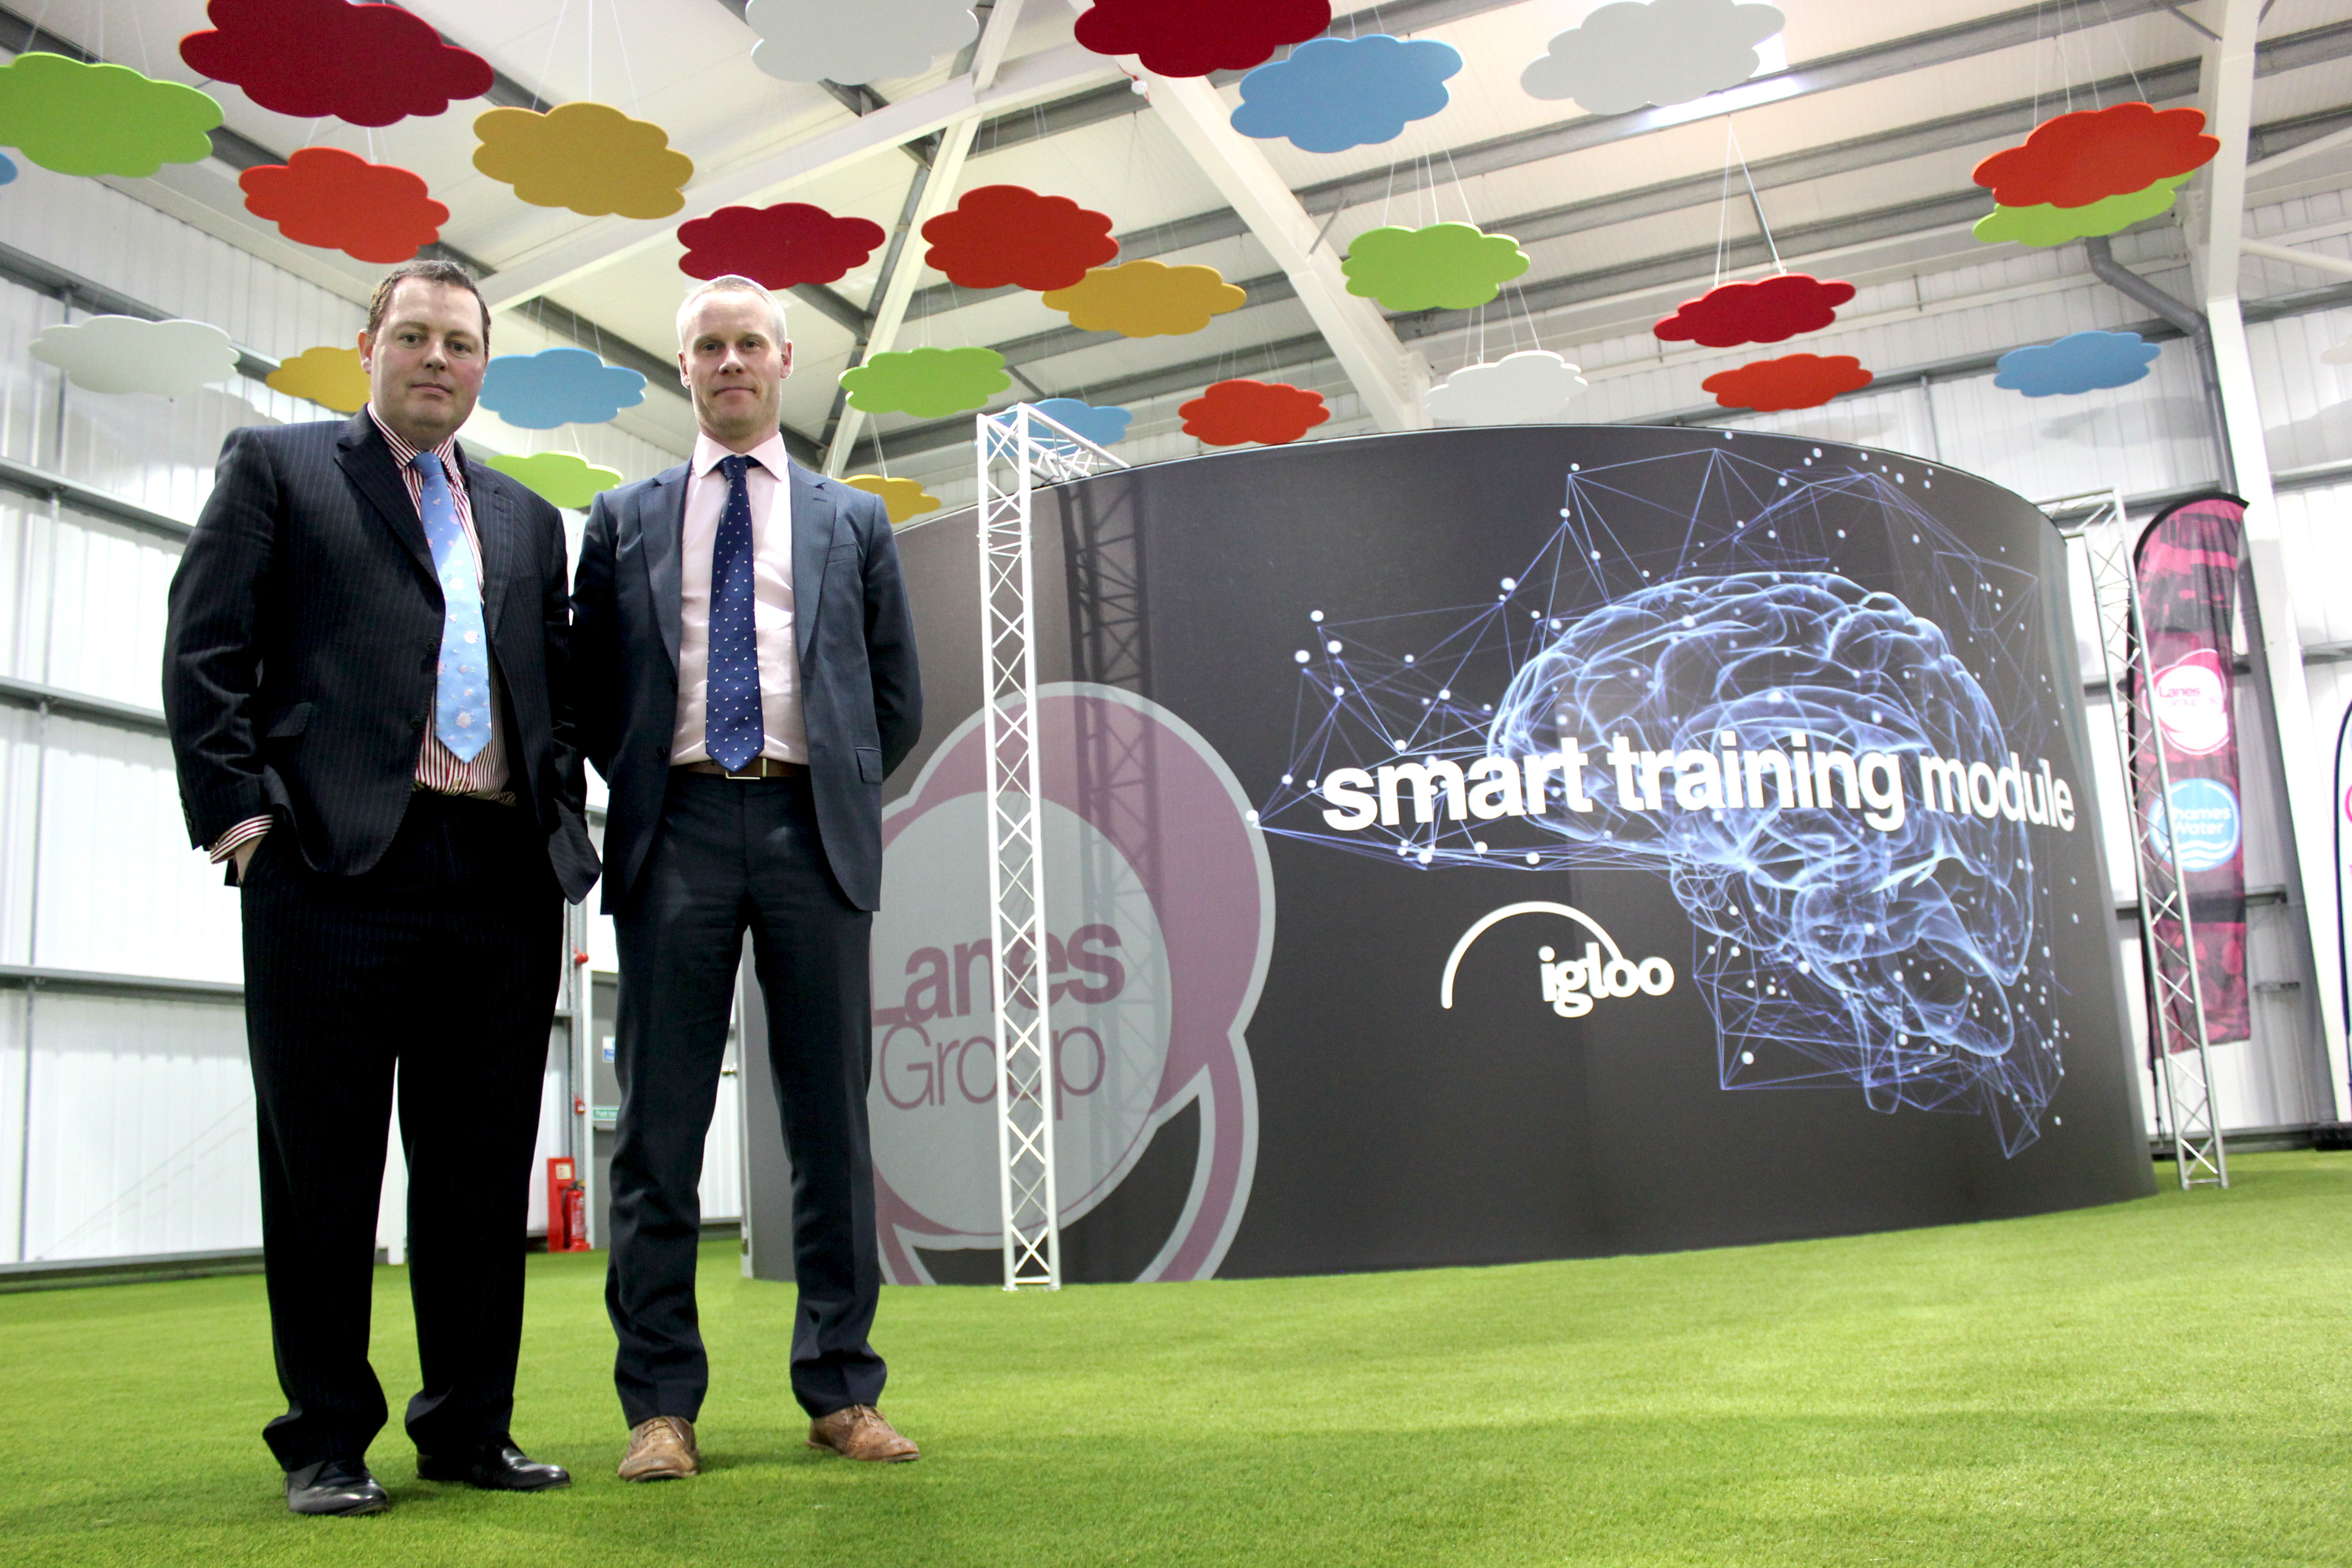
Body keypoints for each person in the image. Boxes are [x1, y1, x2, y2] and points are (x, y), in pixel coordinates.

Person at [163, 259, 599, 1517]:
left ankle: (468, 1428)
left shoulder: (529, 519)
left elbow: (557, 688)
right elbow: (205, 649)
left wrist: (556, 820)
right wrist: (243, 822)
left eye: (459, 343)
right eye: (413, 336)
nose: (436, 359)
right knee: (323, 1172)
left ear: (483, 365)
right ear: (369, 348)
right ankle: (325, 1441)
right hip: (327, 870)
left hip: (500, 878)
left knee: (479, 1173)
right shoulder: (280, 469)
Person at [572, 274, 923, 1477]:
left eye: (750, 344)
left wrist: (829, 787)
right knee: (657, 1130)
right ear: (684, 368)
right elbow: (588, 689)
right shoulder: (621, 519)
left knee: (830, 1124)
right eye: (709, 346)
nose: (731, 362)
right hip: (670, 831)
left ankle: (841, 1390)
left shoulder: (853, 520)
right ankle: (660, 1407)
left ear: (784, 361)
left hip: (810, 832)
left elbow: (894, 697)